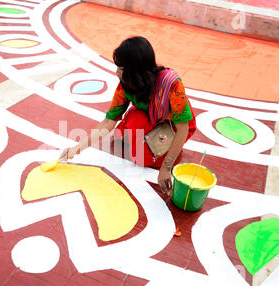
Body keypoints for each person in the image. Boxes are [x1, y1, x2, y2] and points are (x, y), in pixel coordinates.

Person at [60, 36, 196, 196]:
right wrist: (77, 148)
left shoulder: (171, 85)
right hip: (145, 117)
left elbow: (183, 129)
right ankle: (132, 124)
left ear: (136, 71)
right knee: (129, 136)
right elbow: (108, 121)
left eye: (122, 69)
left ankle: (151, 138)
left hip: (172, 125)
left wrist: (166, 167)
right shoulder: (126, 83)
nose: (116, 72)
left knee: (143, 160)